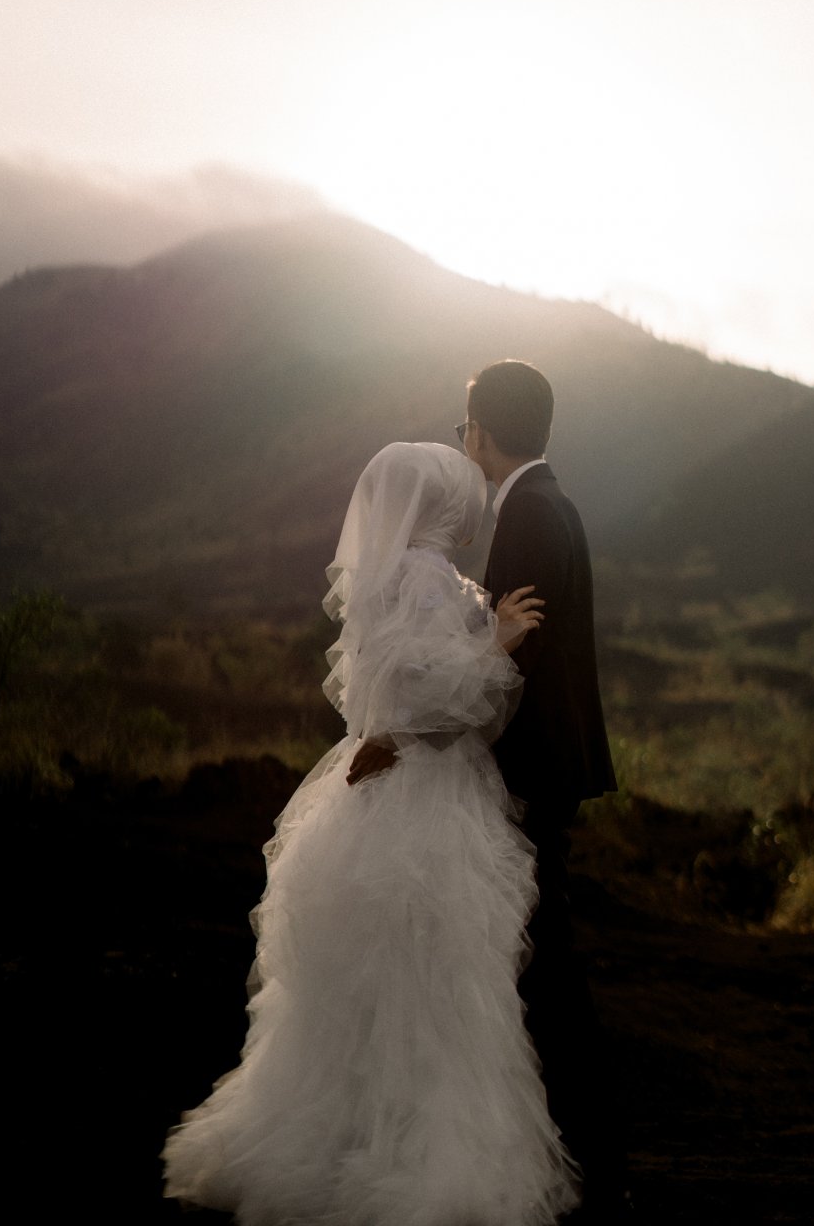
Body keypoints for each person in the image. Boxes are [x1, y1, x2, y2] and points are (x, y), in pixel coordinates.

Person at [162, 440, 580, 1226]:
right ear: (441, 504)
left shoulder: (398, 575)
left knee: (377, 982)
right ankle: (415, 1156)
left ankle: (347, 1137)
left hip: (391, 784)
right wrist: (496, 644)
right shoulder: (423, 577)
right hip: (426, 793)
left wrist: (407, 716)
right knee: (429, 977)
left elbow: (392, 690)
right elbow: (426, 695)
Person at [462, 360, 630, 1224]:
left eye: (465, 426)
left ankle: (587, 1143)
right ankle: (580, 1135)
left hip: (532, 765)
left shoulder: (526, 512)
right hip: (554, 760)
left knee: (544, 956)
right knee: (539, 946)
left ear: (482, 432)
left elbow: (512, 656)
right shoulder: (551, 501)